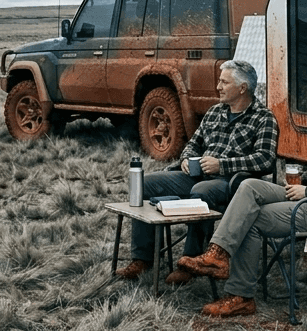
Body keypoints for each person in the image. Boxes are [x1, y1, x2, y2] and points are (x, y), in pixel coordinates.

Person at [177, 75, 307, 317]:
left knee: (250, 218)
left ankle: (240, 296)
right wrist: (304, 178)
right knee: (250, 186)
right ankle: (217, 254)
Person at [115, 59, 279, 284]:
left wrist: (222, 165)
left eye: (224, 82)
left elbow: (265, 160)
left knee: (203, 191)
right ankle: (143, 258)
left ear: (242, 88)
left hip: (233, 183)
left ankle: (190, 261)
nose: (218, 87)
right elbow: (194, 143)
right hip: (196, 174)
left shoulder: (264, 118)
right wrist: (185, 159)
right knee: (146, 182)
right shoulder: (214, 112)